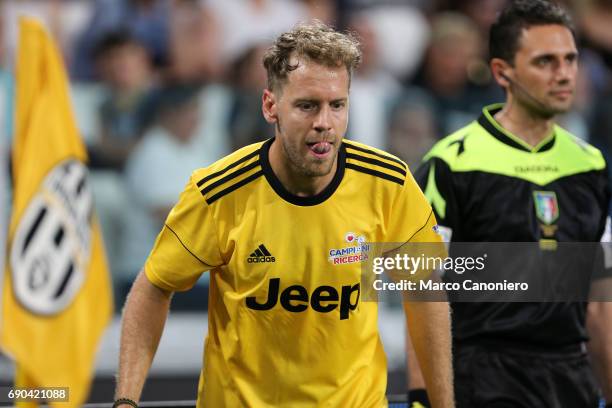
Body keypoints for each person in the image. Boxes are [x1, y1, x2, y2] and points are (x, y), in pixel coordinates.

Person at [113, 21, 454, 407]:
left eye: (337, 105)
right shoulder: (218, 191)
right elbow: (153, 287)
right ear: (270, 106)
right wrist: (126, 400)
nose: (324, 122)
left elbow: (425, 289)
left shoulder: (388, 182)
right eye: (307, 105)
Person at [408, 1, 612, 407]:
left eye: (570, 59)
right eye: (545, 62)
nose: (564, 73)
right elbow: (420, 290)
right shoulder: (450, 163)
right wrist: (422, 396)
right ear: (503, 72)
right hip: (481, 379)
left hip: (570, 378)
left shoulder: (590, 165)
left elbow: (600, 302)